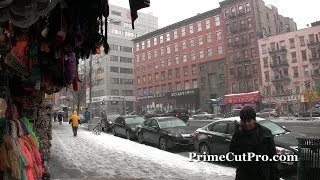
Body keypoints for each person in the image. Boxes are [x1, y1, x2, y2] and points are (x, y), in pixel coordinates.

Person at [229, 106, 279, 180]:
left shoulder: (265, 134)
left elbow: (273, 157)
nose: (246, 124)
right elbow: (232, 151)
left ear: (254, 120)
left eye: (249, 121)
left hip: (262, 175)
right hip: (244, 174)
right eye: (244, 121)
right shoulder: (238, 134)